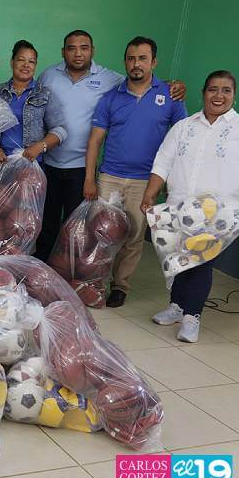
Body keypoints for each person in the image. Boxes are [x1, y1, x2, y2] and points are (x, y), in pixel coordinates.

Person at [35, 30, 186, 262]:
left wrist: (171, 86)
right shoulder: (47, 76)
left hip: (82, 167)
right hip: (50, 162)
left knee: (81, 227)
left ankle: (70, 269)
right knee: (48, 221)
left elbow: (140, 82)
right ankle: (42, 267)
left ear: (92, 51)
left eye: (84, 48)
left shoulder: (110, 79)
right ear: (63, 52)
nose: (78, 53)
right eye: (72, 48)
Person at [83, 36, 187, 308]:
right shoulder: (110, 98)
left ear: (154, 62)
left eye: (142, 58)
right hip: (109, 177)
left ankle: (120, 286)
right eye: (131, 58)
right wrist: (90, 178)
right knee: (101, 233)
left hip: (145, 181)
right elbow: (95, 141)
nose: (136, 64)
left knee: (134, 237)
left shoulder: (171, 97)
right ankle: (94, 283)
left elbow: (182, 142)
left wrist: (169, 180)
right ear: (125, 62)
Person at [143, 71, 239, 343]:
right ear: (203, 93)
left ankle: (192, 316)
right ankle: (177, 307)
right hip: (180, 208)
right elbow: (163, 161)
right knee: (178, 258)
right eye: (213, 89)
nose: (219, 95)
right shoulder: (184, 126)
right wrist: (151, 192)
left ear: (234, 96)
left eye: (226, 90)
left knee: (200, 263)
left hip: (219, 214)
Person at [0, 40, 66, 166]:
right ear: (12, 62)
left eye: (31, 61)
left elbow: (60, 130)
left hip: (31, 165)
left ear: (35, 65)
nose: (26, 65)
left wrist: (40, 146)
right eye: (21, 60)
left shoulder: (45, 94)